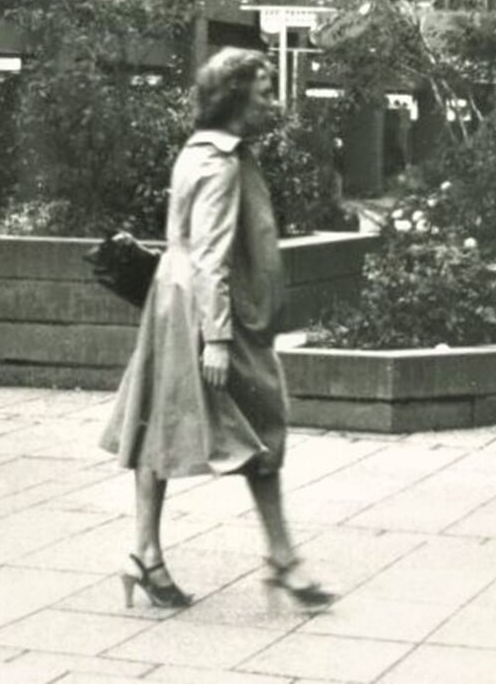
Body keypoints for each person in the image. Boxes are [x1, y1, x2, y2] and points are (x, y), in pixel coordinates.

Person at [99, 48, 334, 613]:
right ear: (235, 99)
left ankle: (146, 554)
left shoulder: (199, 152)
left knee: (159, 419)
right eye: (265, 91)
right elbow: (211, 255)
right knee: (264, 423)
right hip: (211, 313)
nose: (273, 102)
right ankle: (278, 557)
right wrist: (221, 337)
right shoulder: (221, 163)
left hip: (174, 304)